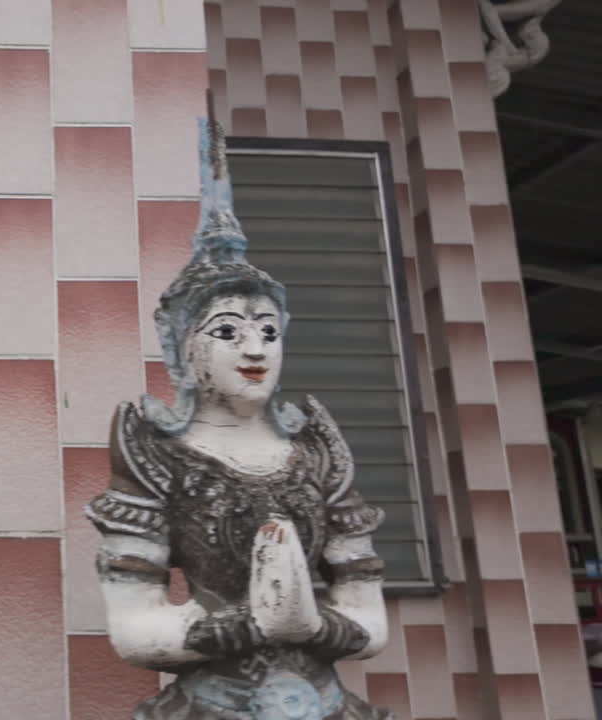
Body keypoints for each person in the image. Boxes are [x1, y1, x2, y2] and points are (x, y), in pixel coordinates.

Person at [85, 112, 393, 720]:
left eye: (268, 331)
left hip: (327, 703)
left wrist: (310, 623)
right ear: (183, 350)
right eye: (228, 330)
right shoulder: (157, 459)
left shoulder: (318, 455)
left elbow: (370, 622)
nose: (255, 349)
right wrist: (254, 622)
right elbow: (135, 631)